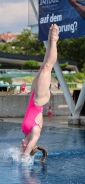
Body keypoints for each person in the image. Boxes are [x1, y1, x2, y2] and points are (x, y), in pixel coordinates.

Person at [20, 24, 59, 162]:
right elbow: (26, 153)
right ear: (29, 148)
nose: (21, 145)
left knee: (43, 65)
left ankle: (49, 39)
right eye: (23, 147)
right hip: (39, 100)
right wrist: (25, 155)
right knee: (48, 67)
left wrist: (20, 152)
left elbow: (21, 151)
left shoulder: (25, 132)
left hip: (33, 96)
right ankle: (54, 40)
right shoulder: (34, 134)